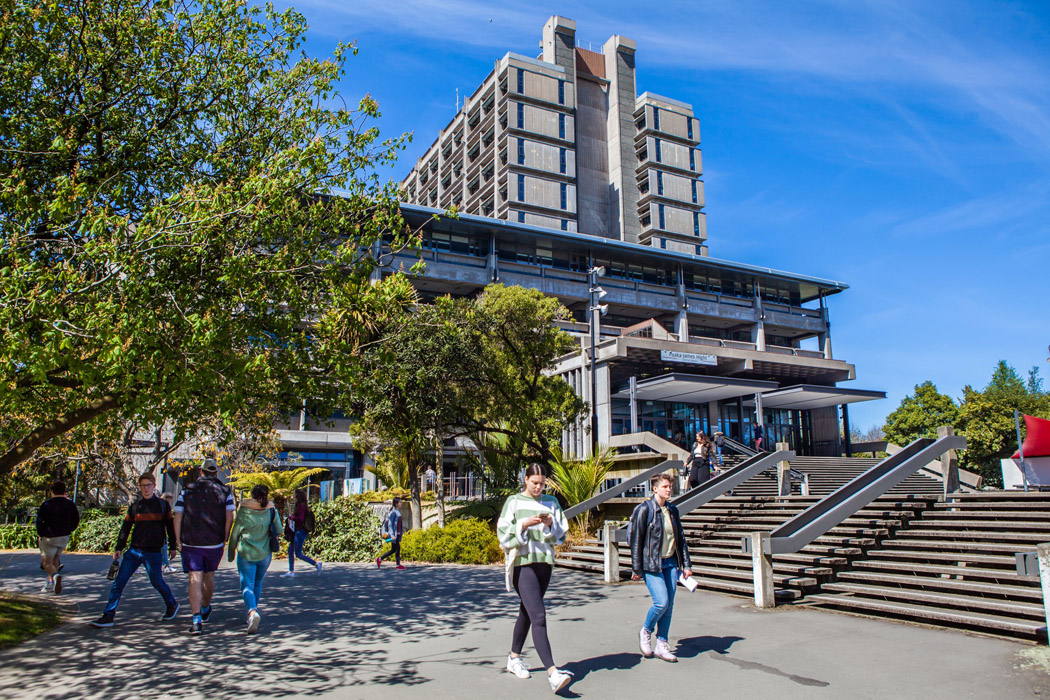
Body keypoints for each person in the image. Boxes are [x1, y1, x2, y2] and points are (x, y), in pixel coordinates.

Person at [497, 464, 573, 695]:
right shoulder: (514, 501)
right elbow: (502, 533)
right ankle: (553, 673)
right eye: (535, 483)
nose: (539, 487)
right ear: (526, 479)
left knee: (527, 611)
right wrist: (523, 524)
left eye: (542, 483)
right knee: (538, 615)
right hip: (522, 563)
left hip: (544, 564)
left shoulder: (552, 502)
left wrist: (550, 525)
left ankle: (514, 657)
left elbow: (561, 535)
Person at [89, 473, 179, 628]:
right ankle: (108, 615)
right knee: (119, 582)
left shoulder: (163, 506)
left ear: (154, 485)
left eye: (148, 485)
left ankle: (172, 604)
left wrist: (172, 546)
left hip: (153, 551)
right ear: (139, 487)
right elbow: (126, 528)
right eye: (143, 486)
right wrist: (119, 547)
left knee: (156, 581)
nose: (146, 489)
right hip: (134, 551)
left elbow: (170, 527)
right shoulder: (135, 507)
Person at [629, 473, 693, 662]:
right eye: (664, 486)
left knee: (670, 605)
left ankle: (662, 643)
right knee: (661, 602)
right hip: (652, 563)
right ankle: (646, 630)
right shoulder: (644, 510)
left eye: (669, 486)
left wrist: (687, 564)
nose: (668, 489)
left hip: (671, 562)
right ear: (655, 489)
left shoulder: (672, 510)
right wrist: (636, 568)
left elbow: (681, 538)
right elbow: (636, 541)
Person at [174, 458, 235, 635]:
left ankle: (196, 619)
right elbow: (229, 516)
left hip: (191, 541)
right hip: (214, 542)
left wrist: (178, 539)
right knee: (209, 578)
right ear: (216, 473)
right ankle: (206, 607)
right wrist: (224, 537)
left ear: (201, 472)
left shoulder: (187, 490)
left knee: (195, 578)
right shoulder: (225, 491)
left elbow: (178, 515)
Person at [228, 484, 280, 634]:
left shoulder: (244, 510)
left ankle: (252, 612)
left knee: (246, 585)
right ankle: (252, 613)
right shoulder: (271, 509)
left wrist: (231, 554)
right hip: (265, 554)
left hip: (246, 553)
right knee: (257, 583)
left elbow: (234, 534)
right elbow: (280, 530)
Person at [35, 480, 80, 595]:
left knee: (46, 563)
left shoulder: (47, 504)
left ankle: (55, 576)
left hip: (49, 536)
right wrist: (69, 530)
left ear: (51, 491)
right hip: (64, 536)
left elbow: (39, 521)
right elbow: (76, 520)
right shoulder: (70, 504)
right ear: (64, 491)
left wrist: (41, 534)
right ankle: (51, 584)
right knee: (55, 559)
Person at [282, 488, 322, 577]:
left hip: (300, 532)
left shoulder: (301, 506)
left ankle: (316, 564)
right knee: (290, 550)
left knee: (298, 553)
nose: (292, 496)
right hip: (297, 531)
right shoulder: (299, 505)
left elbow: (300, 519)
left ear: (297, 496)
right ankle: (291, 571)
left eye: (294, 494)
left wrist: (291, 518)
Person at [376, 496, 405, 570]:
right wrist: (392, 535)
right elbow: (390, 524)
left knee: (394, 549)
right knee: (397, 549)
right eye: (400, 502)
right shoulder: (393, 512)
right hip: (394, 535)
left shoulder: (397, 512)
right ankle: (398, 565)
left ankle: (380, 559)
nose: (401, 504)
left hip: (397, 534)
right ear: (396, 503)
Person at [160, 492, 176, 574]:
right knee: (163, 549)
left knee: (163, 549)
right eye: (169, 498)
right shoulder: (163, 506)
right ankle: (165, 565)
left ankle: (165, 565)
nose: (170, 500)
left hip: (163, 532)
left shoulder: (165, 506)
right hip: (161, 533)